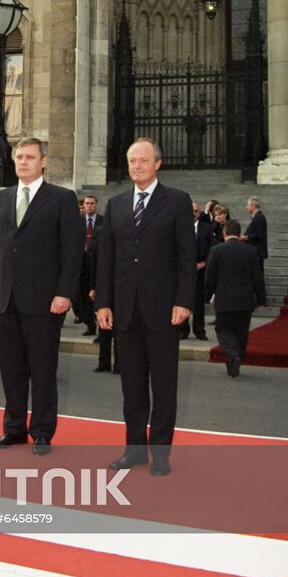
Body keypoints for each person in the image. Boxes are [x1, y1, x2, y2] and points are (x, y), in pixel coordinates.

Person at [0, 137, 84, 456]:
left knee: (42, 369)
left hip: (45, 301)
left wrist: (65, 293)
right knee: (10, 369)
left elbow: (71, 251)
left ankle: (41, 431)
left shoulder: (62, 199)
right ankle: (13, 428)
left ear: (43, 161)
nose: (23, 162)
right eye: (19, 157)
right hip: (5, 299)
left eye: (29, 157)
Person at [95, 137, 196, 477]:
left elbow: (186, 258)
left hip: (164, 309)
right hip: (125, 310)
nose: (136, 166)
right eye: (132, 161)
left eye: (143, 160)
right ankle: (134, 451)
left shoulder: (178, 202)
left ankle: (161, 454)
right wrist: (103, 304)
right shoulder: (117, 204)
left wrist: (184, 301)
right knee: (132, 386)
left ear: (157, 164)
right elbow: (106, 258)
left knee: (164, 385)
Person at [205, 219, 266, 378]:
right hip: (245, 300)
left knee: (223, 330)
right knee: (241, 333)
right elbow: (257, 277)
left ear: (224, 233)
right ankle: (234, 362)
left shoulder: (216, 250)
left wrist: (207, 296)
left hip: (224, 299)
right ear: (240, 234)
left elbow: (210, 277)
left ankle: (233, 355)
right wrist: (261, 299)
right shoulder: (250, 251)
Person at [178, 202, 215, 341]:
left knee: (199, 304)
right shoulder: (179, 228)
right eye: (191, 210)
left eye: (196, 211)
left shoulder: (206, 228)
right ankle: (183, 330)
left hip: (200, 272)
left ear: (199, 213)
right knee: (182, 302)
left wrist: (203, 263)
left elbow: (213, 248)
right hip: (182, 273)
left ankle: (200, 331)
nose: (193, 213)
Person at [89, 226, 119, 374]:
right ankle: (104, 363)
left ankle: (119, 364)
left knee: (120, 328)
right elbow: (94, 264)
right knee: (104, 328)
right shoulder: (100, 234)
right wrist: (93, 287)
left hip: (121, 289)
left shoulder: (127, 232)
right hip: (103, 288)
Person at [78, 195, 103, 337]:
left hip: (98, 263)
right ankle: (90, 325)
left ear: (96, 205)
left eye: (92, 203)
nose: (89, 206)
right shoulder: (78, 222)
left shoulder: (103, 221)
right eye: (87, 203)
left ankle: (102, 329)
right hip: (82, 263)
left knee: (98, 295)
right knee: (83, 296)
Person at [244, 197, 268, 291]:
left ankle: (261, 301)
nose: (246, 207)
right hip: (256, 252)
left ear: (253, 206)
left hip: (258, 252)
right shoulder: (257, 217)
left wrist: (245, 237)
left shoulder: (259, 217)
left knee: (258, 277)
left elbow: (259, 234)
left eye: (248, 205)